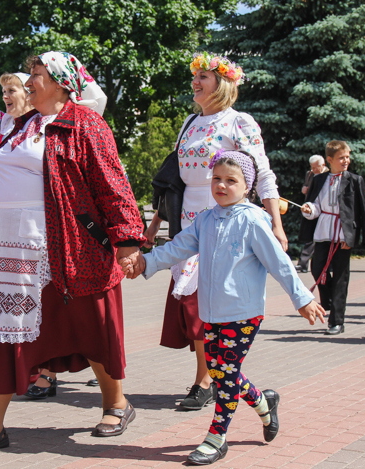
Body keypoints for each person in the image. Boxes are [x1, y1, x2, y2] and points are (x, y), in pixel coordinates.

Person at [0, 25, 144, 454]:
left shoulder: (85, 123)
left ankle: (116, 403)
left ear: (59, 82)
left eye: (36, 75)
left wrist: (128, 240)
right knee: (1, 331)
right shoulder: (17, 125)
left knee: (89, 324)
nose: (29, 81)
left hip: (65, 244)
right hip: (4, 246)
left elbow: (112, 183)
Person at [127, 149, 324, 465]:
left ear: (247, 186)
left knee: (225, 376)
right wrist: (146, 262)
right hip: (211, 312)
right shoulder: (206, 219)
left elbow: (279, 263)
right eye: (216, 178)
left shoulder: (253, 220)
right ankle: (264, 403)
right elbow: (177, 247)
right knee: (221, 372)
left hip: (243, 313)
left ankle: (216, 438)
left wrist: (302, 299)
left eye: (231, 180)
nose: (221, 185)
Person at [143, 52, 286, 412]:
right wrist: (156, 223)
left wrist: (276, 223)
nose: (195, 82)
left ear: (221, 83)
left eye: (203, 76)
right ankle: (221, 379)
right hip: (187, 219)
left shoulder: (240, 122)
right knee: (191, 302)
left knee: (204, 301)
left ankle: (206, 380)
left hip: (224, 221)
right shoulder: (190, 122)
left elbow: (263, 174)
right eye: (195, 76)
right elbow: (173, 179)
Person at [300, 140, 365, 335]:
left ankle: (337, 321)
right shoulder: (319, 180)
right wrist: (309, 209)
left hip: (343, 234)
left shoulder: (354, 180)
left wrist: (351, 237)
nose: (346, 161)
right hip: (324, 231)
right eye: (341, 158)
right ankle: (329, 301)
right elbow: (316, 205)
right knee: (317, 269)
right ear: (329, 160)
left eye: (347, 157)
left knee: (340, 277)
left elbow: (359, 211)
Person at [298, 155, 327, 273]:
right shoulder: (309, 174)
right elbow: (306, 186)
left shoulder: (328, 175)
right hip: (310, 209)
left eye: (316, 168)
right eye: (312, 167)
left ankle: (327, 265)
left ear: (323, 165)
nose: (314, 170)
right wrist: (304, 190)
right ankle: (303, 264)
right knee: (310, 237)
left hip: (324, 211)